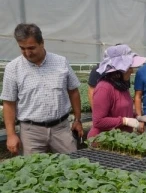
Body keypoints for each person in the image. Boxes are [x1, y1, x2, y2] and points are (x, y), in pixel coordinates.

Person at [0, 23, 83, 155]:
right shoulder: (13, 68)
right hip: (31, 131)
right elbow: (9, 103)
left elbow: (73, 91)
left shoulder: (61, 62)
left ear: (42, 43)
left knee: (73, 163)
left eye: (31, 48)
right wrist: (10, 134)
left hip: (61, 128)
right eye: (22, 48)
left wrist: (78, 120)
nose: (27, 53)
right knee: (33, 170)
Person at [87, 44, 146, 138]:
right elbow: (98, 121)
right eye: (129, 67)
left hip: (121, 138)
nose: (132, 71)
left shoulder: (122, 86)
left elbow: (123, 111)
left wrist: (137, 117)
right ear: (118, 70)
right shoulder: (104, 88)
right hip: (104, 141)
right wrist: (124, 121)